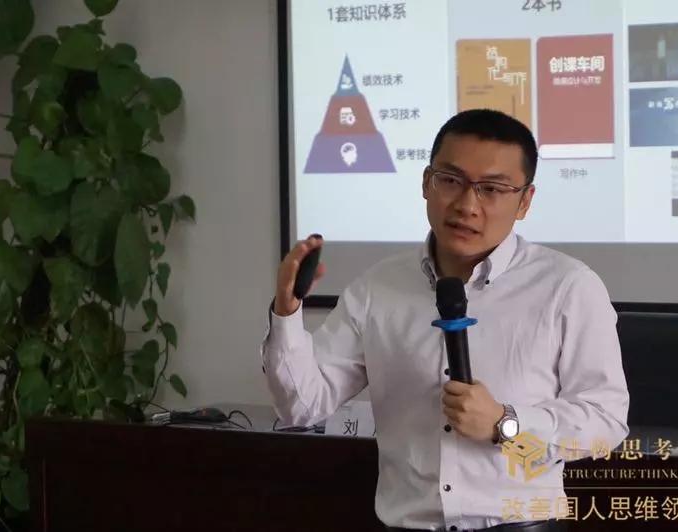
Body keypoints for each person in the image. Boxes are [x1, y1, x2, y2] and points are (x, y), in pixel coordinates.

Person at [261, 109, 629, 532]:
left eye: (491, 189)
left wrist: (506, 423)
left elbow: (605, 421)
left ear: (525, 201)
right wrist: (287, 313)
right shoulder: (377, 288)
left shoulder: (568, 287)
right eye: (450, 181)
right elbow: (301, 406)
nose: (467, 205)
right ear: (426, 182)